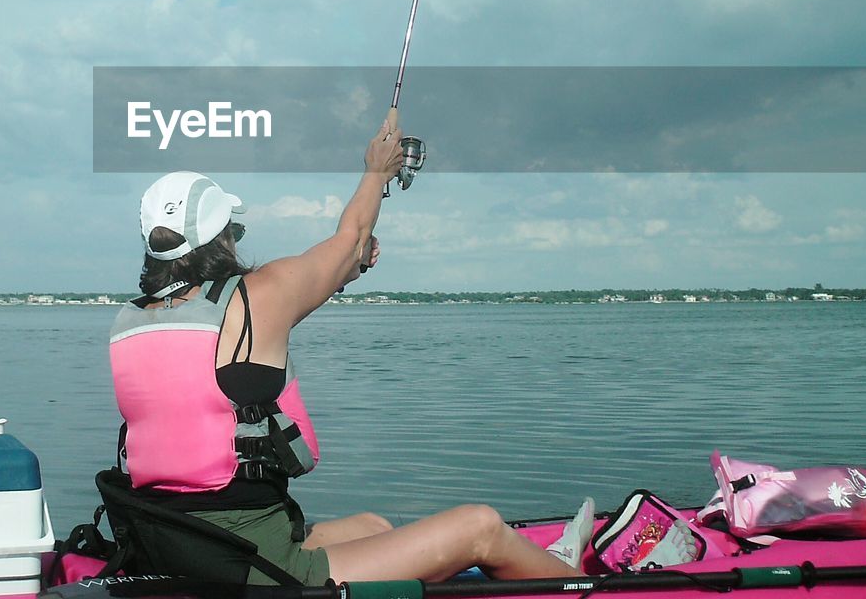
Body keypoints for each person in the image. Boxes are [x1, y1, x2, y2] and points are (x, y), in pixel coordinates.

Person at [108, 117, 594, 586]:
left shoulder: (129, 321)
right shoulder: (258, 296)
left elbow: (342, 260)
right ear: (223, 237)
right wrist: (376, 171)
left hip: (180, 541)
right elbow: (350, 240)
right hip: (253, 561)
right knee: (481, 527)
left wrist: (351, 265)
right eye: (234, 231)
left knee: (374, 527)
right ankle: (578, 583)